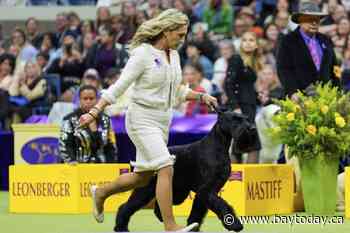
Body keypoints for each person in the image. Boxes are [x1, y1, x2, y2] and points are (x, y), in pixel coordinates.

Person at [78, 9, 217, 231]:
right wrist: (95, 111)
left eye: (184, 35)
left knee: (142, 178)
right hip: (141, 118)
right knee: (165, 166)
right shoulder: (143, 54)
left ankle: (101, 192)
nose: (183, 39)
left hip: (163, 121)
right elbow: (119, 86)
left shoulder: (175, 56)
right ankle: (170, 226)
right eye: (179, 34)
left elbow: (176, 92)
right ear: (166, 30)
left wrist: (201, 96)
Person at [276, 1, 340, 101]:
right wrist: (292, 92)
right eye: (310, 19)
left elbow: (335, 68)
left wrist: (337, 91)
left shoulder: (326, 39)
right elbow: (284, 70)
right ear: (300, 20)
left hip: (326, 99)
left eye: (317, 19)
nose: (314, 22)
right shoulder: (288, 40)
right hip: (299, 98)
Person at [224, 31, 262, 163]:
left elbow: (245, 86)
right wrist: (235, 106)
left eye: (251, 40)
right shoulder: (236, 59)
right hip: (240, 107)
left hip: (249, 106)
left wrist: (258, 96)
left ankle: (237, 179)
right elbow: (228, 84)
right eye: (244, 40)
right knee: (253, 145)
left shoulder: (253, 61)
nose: (247, 43)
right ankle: (245, 179)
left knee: (241, 144)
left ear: (256, 44)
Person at [59, 85, 117, 164]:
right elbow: (65, 145)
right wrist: (71, 161)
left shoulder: (106, 119)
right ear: (79, 100)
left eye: (91, 98)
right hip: (77, 167)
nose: (88, 101)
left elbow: (111, 146)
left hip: (101, 166)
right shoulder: (69, 119)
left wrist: (111, 165)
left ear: (97, 100)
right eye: (85, 99)